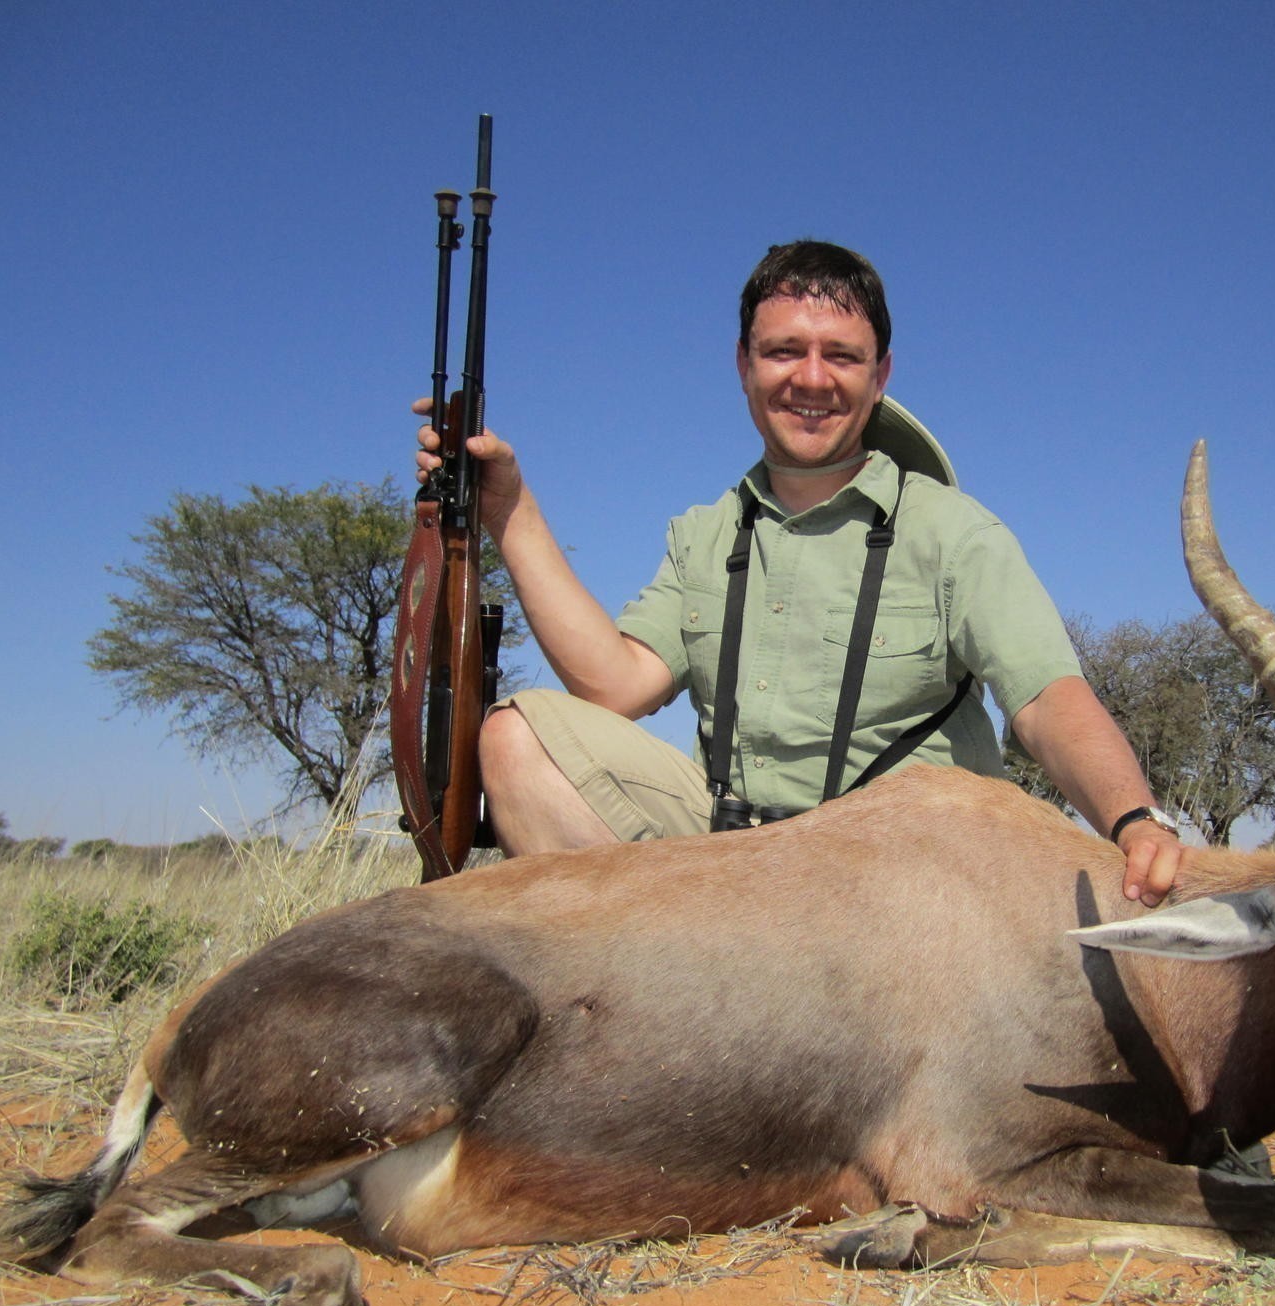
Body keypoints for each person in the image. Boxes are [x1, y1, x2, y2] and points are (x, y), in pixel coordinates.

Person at [414, 240, 1187, 904]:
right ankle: (665, 1008)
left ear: (879, 374)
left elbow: (1045, 698)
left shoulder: (956, 531)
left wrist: (1132, 820)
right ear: (744, 365)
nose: (811, 379)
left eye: (841, 356)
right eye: (784, 351)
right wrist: (509, 510)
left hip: (906, 878)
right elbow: (617, 685)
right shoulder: (705, 533)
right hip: (733, 868)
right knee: (516, 740)